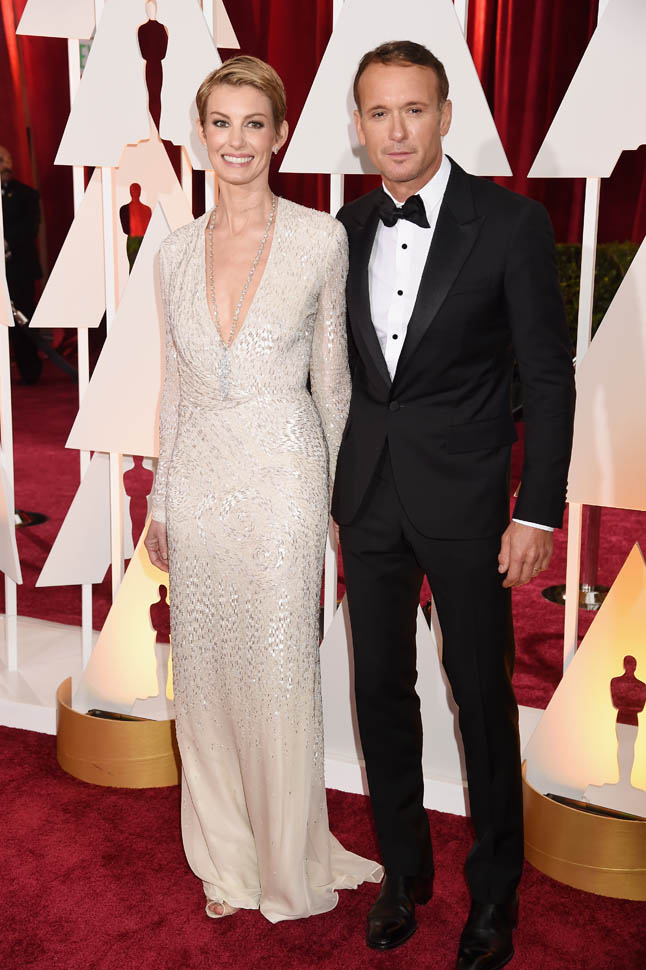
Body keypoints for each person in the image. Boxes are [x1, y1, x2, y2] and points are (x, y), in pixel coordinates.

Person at [332, 42, 575, 967]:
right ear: (359, 126)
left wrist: (536, 510)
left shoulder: (510, 223)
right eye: (378, 112)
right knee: (379, 693)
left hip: (472, 504)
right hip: (368, 499)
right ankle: (404, 875)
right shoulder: (344, 229)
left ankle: (495, 897)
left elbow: (547, 378)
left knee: (481, 699)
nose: (396, 130)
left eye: (414, 109)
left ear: (444, 114)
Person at [144, 55, 381, 924]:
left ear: (279, 135)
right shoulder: (173, 251)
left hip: (284, 476)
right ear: (199, 134)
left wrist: (337, 500)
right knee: (204, 677)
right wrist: (161, 498)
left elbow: (334, 383)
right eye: (221, 123)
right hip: (199, 480)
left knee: (279, 673)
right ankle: (227, 859)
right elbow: (175, 386)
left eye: (254, 124)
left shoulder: (320, 239)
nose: (236, 141)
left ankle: (287, 862)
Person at [0, 145, 42, 384]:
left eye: (6, 161)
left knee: (24, 318)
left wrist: (4, 241)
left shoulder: (26, 194)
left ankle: (30, 372)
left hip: (20, 270)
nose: (5, 166)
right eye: (1, 162)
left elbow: (30, 227)